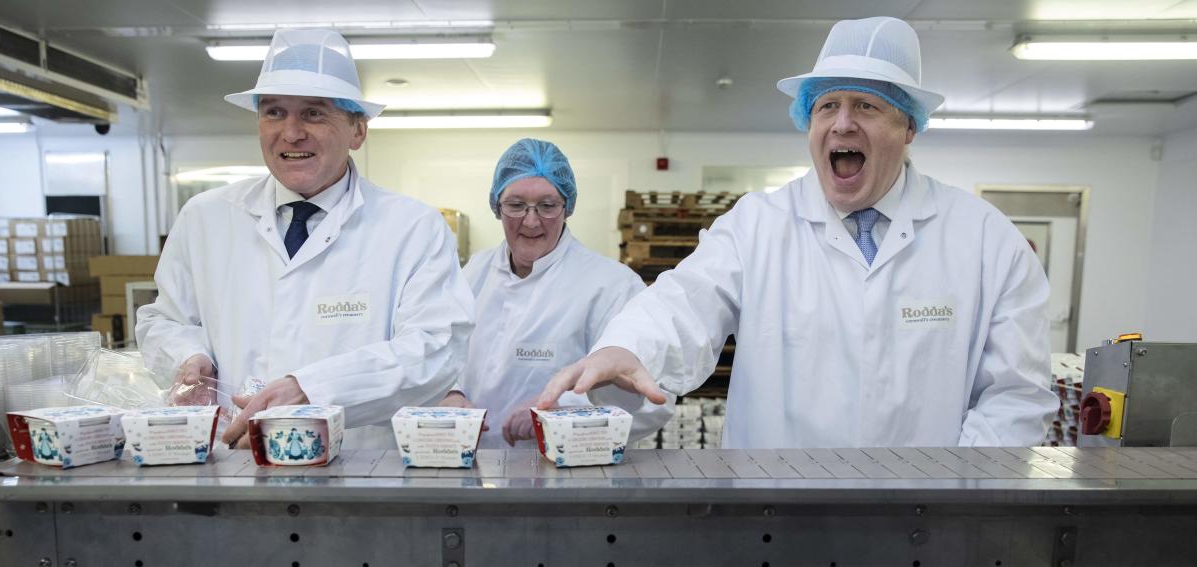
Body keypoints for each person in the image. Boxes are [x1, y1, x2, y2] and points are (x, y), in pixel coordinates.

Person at [538, 17, 1058, 448]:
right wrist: (628, 348)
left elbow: (1016, 396)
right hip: (774, 525)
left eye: (867, 106)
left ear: (909, 128)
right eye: (827, 106)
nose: (842, 124)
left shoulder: (986, 241)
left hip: (925, 531)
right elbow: (682, 304)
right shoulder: (756, 226)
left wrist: (953, 500)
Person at [137, 29, 474, 448]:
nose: (291, 133)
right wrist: (189, 358)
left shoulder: (412, 228)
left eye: (314, 114)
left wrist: (313, 390)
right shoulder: (205, 218)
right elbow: (164, 320)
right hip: (233, 461)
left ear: (357, 130)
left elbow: (435, 349)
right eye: (274, 112)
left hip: (357, 472)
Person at [441, 139, 671, 447]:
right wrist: (451, 391)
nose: (532, 220)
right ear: (497, 206)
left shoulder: (610, 285)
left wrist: (559, 416)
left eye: (547, 206)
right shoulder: (473, 275)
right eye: (516, 205)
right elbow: (441, 352)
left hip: (565, 475)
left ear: (567, 207)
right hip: (474, 467)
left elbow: (656, 396)